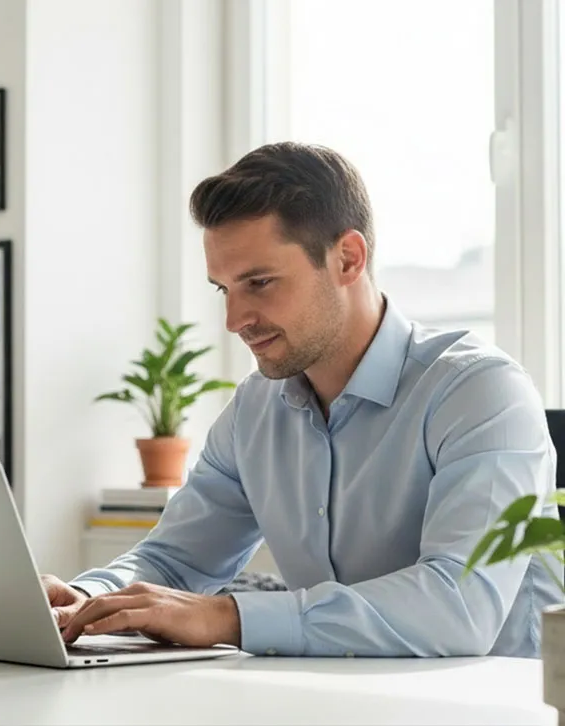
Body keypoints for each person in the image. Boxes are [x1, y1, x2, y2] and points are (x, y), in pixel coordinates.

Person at [43, 142, 564, 658]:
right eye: (225, 290)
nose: (234, 320)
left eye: (260, 282)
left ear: (348, 259)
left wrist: (229, 615)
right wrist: (88, 601)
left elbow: (460, 607)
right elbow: (176, 561)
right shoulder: (255, 410)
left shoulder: (480, 392)